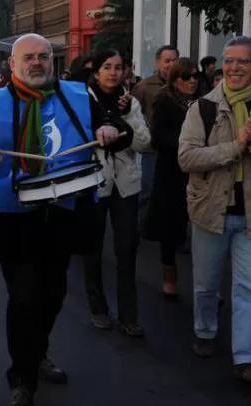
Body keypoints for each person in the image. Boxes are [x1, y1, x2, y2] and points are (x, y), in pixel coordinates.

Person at [0, 34, 129, 406]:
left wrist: (109, 132)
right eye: (29, 57)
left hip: (63, 214)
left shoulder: (78, 96)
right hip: (15, 218)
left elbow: (115, 125)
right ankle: (22, 381)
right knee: (25, 296)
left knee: (54, 293)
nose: (38, 63)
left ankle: (36, 353)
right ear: (13, 64)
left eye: (44, 56)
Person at [177, 36, 251, 384]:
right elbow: (186, 157)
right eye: (228, 61)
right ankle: (205, 330)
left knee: (250, 288)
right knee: (205, 286)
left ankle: (247, 356)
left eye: (242, 62)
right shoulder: (203, 107)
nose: (233, 68)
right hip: (210, 210)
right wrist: (236, 146)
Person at [81, 49, 150, 336]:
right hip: (95, 181)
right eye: (106, 67)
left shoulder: (130, 102)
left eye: (118, 67)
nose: (113, 72)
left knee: (126, 248)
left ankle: (128, 315)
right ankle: (98, 308)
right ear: (96, 72)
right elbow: (80, 139)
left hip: (126, 183)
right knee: (92, 248)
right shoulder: (82, 100)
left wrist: (123, 122)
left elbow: (144, 142)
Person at [144, 57, 199, 298]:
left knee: (202, 228)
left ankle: (206, 282)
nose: (192, 81)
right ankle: (169, 276)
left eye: (195, 76)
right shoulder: (164, 101)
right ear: (176, 80)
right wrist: (185, 141)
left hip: (198, 172)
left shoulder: (203, 103)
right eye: (186, 77)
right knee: (170, 229)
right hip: (171, 172)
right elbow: (157, 139)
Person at [133, 45, 179, 222]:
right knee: (148, 189)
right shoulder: (145, 86)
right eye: (167, 61)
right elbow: (135, 114)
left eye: (174, 60)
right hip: (152, 148)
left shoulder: (185, 83)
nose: (171, 64)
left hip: (178, 147)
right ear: (158, 62)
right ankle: (139, 226)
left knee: (174, 192)